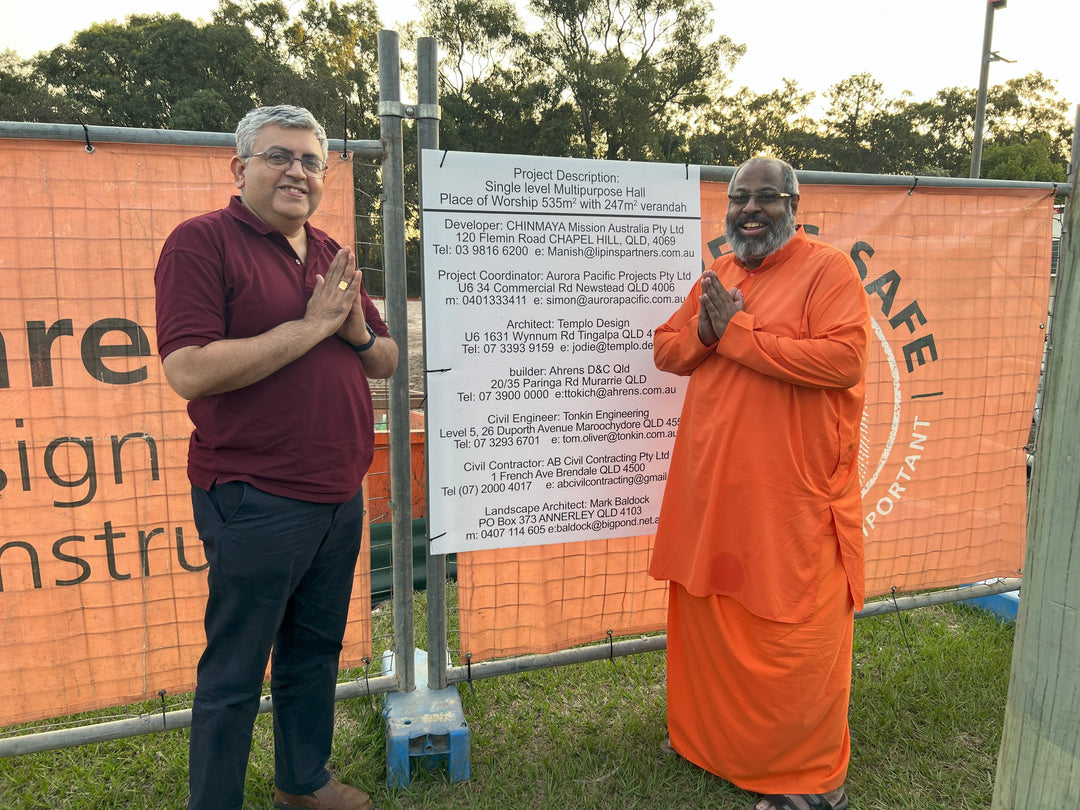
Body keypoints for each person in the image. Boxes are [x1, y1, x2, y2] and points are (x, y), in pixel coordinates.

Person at [155, 104, 397, 810]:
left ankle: (302, 783)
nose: (297, 171)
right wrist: (313, 324)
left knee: (313, 652)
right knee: (234, 670)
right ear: (240, 168)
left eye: (310, 161)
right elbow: (190, 370)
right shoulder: (201, 244)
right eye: (278, 156)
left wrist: (350, 331)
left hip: (337, 493)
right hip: (254, 495)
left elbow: (384, 359)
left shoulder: (330, 254)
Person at [649, 156, 870, 810]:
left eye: (766, 197)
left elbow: (843, 359)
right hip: (713, 491)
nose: (751, 208)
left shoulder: (828, 270)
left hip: (790, 500)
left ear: (793, 203)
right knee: (712, 616)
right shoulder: (717, 274)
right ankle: (708, 743)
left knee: (791, 632)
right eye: (740, 197)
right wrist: (705, 330)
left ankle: (806, 780)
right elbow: (667, 348)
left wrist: (735, 333)